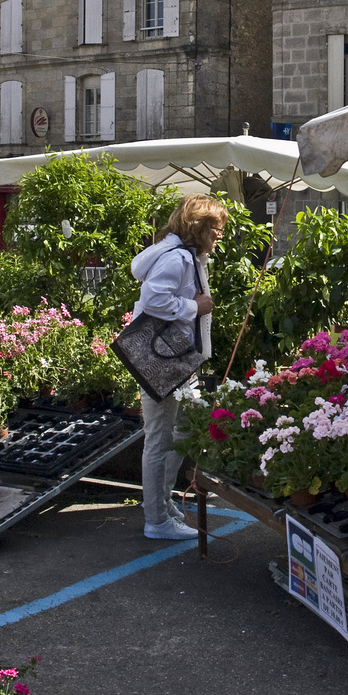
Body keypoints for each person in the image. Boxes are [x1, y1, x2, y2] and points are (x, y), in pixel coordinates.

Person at [129, 194, 228, 541]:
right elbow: (154, 299)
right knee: (160, 438)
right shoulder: (177, 259)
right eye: (215, 229)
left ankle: (161, 504)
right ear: (197, 228)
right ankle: (156, 519)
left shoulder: (184, 256)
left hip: (175, 358)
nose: (219, 235)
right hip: (165, 360)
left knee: (178, 433)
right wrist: (195, 306)